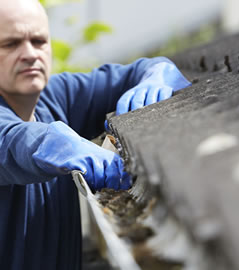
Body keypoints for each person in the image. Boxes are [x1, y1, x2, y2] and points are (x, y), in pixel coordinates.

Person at [0, 0, 191, 269]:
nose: (30, 53)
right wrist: (48, 142)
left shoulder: (58, 96)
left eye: (39, 40)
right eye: (11, 44)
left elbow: (142, 70)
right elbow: (10, 141)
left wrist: (157, 74)